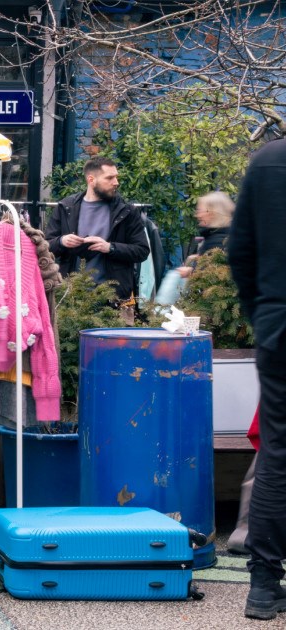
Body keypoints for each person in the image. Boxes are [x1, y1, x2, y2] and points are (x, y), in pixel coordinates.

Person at [228, 138, 286, 621]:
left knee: (278, 453)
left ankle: (264, 586)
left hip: (279, 329)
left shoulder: (268, 161)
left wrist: (263, 314)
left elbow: (240, 251)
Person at [44, 156, 150, 301]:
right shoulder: (66, 207)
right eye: (110, 178)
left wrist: (110, 247)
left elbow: (142, 251)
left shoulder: (126, 211)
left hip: (113, 298)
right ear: (91, 180)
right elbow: (46, 247)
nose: (116, 182)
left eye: (116, 177)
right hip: (71, 296)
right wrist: (62, 241)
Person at [176, 191, 234, 278]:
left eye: (200, 211)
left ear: (211, 214)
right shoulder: (220, 236)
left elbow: (214, 274)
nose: (197, 215)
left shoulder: (216, 241)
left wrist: (190, 272)